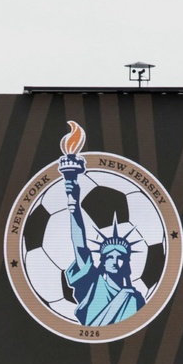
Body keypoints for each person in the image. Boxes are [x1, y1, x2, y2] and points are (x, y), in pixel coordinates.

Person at [59, 127, 144, 326]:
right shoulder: (90, 282)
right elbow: (79, 243)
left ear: (128, 264)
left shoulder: (135, 299)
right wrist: (74, 205)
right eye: (110, 257)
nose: (115, 261)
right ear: (102, 260)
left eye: (121, 257)